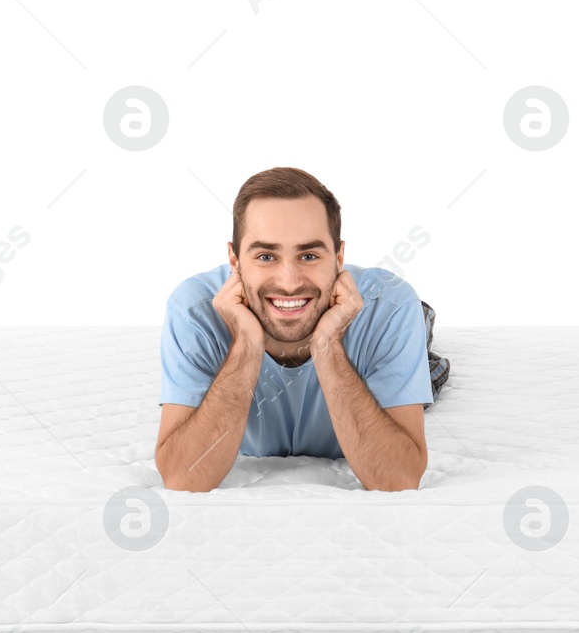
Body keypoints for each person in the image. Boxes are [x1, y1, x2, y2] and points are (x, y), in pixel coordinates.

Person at [155, 167, 449, 493]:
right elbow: (182, 478)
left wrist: (327, 344)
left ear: (338, 258)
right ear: (234, 261)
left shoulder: (391, 307)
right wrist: (247, 344)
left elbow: (398, 479)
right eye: (266, 256)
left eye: (309, 255)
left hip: (386, 318)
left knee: (426, 362)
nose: (290, 282)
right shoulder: (192, 310)